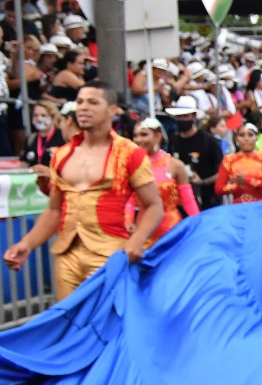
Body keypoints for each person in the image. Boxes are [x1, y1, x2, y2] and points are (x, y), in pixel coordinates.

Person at [3, 84, 163, 299]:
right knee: (70, 327)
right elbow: (54, 211)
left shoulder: (130, 153)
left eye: (93, 102)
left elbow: (153, 205)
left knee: (107, 326)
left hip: (110, 253)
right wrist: (27, 243)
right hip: (67, 256)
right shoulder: (61, 155)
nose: (83, 108)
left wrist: (137, 240)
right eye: (79, 102)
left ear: (112, 110)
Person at [128, 117, 198, 244]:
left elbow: (188, 200)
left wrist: (198, 225)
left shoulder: (175, 165)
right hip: (143, 232)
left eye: (144, 134)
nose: (138, 140)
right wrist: (128, 220)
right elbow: (130, 199)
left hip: (171, 231)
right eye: (136, 135)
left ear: (158, 136)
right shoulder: (132, 166)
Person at [167, 94, 224, 209]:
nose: (181, 120)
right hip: (181, 198)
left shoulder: (209, 141)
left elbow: (223, 171)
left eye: (185, 116)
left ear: (194, 117)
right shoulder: (173, 140)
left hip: (208, 199)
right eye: (178, 117)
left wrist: (202, 182)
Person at [215, 123, 262, 204]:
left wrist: (247, 181)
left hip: (260, 208)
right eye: (242, 135)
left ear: (256, 138)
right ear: (236, 139)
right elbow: (218, 189)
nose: (246, 139)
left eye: (250, 135)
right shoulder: (229, 160)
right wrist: (236, 186)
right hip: (238, 210)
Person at [23, 100, 64, 194]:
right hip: (32, 188)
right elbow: (23, 164)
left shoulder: (62, 136)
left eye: (43, 115)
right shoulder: (31, 138)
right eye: (35, 115)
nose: (39, 119)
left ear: (53, 117)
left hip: (55, 187)